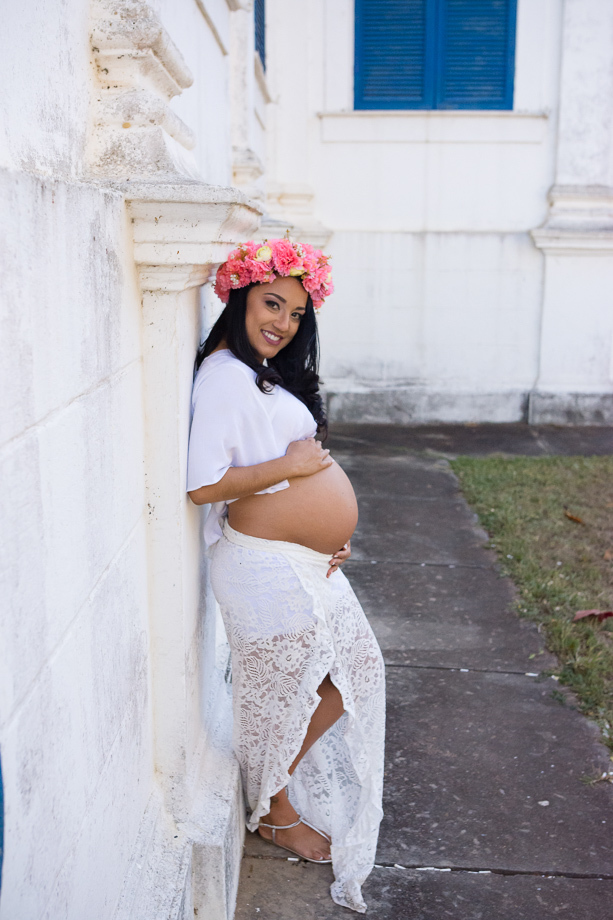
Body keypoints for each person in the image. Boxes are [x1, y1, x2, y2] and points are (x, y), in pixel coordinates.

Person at [186, 239, 385, 913]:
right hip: (261, 566)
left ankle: (273, 787)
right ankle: (273, 807)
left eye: (297, 313)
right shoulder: (223, 376)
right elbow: (203, 484)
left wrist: (326, 531)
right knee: (302, 685)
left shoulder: (258, 372)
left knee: (354, 672)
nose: (284, 323)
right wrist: (295, 472)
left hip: (299, 561)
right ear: (240, 296)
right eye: (273, 304)